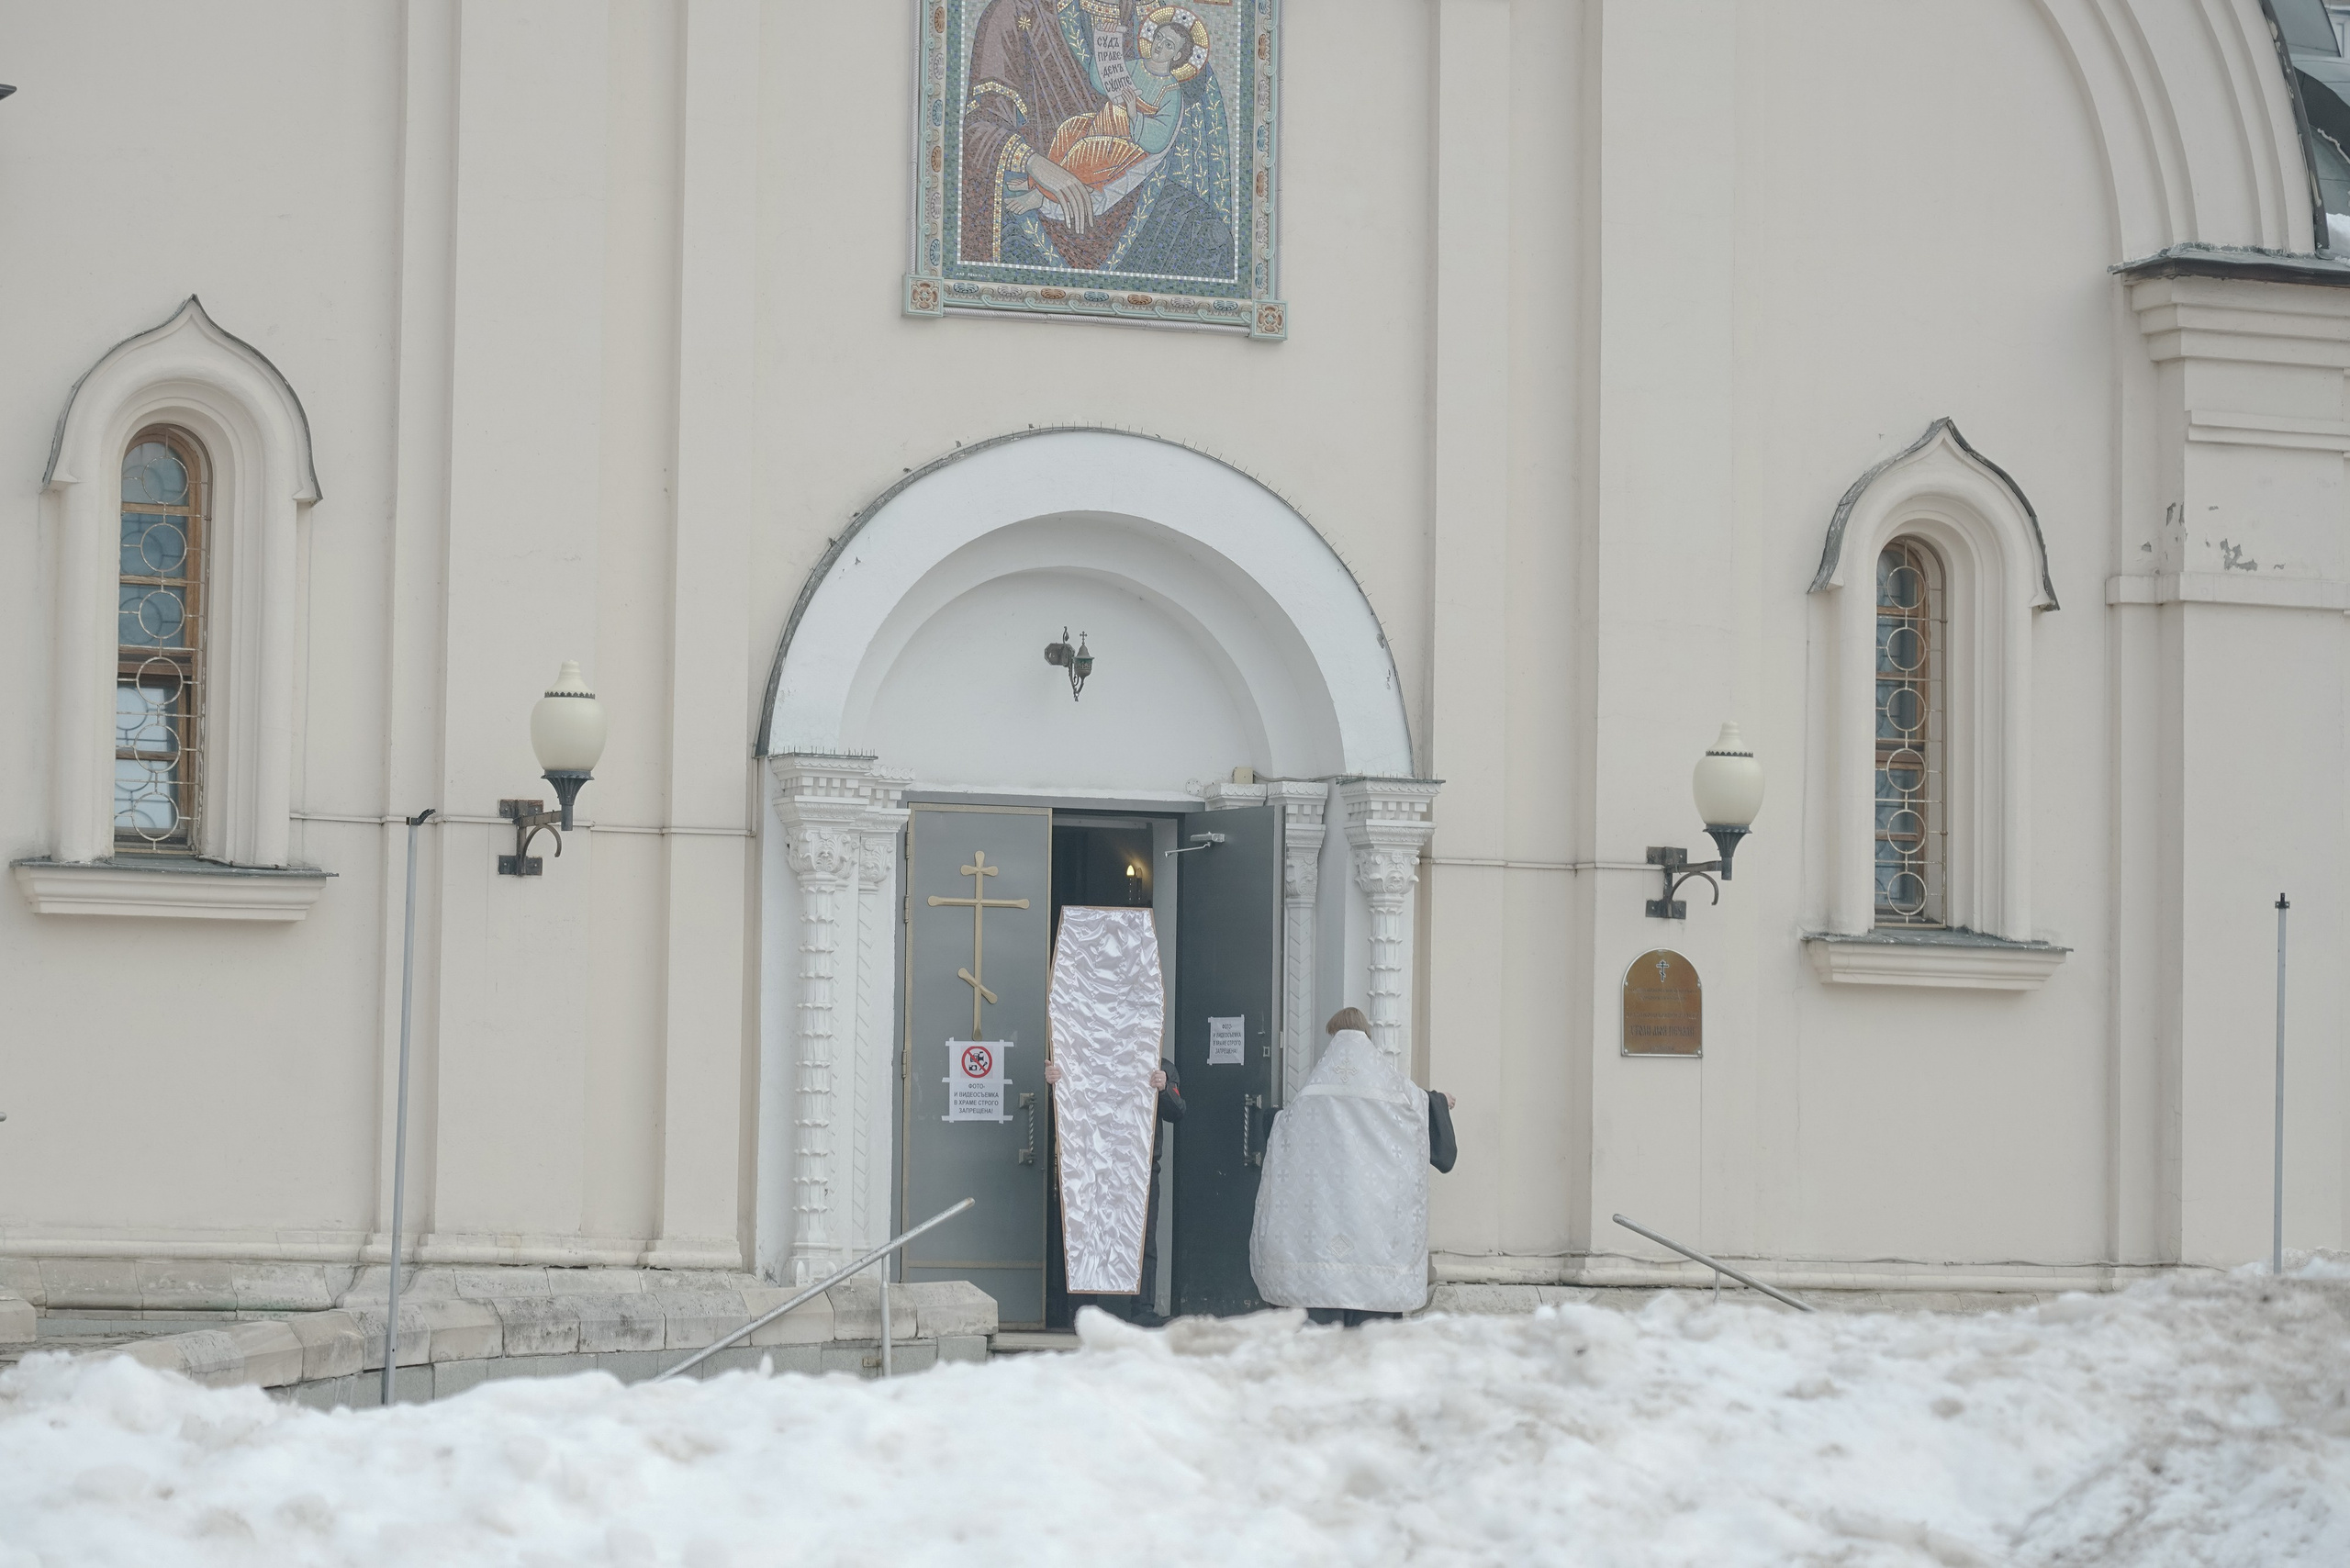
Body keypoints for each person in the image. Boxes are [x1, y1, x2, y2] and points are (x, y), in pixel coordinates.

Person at [1249, 1007, 1458, 1328]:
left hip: (1322, 1232)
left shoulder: (1317, 1088)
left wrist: (1270, 1116)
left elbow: (1285, 1125)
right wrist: (1438, 1101)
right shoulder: (1390, 1086)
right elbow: (1420, 1113)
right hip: (1372, 1231)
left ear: (1333, 1035)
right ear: (1368, 1037)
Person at [1044, 1051, 1184, 1324]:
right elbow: (1067, 1109)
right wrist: (1056, 1084)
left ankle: (1142, 1310)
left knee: (1143, 1238)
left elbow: (1178, 1111)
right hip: (1090, 1166)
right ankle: (1083, 1310)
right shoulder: (1083, 1051)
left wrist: (1164, 1088)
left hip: (1140, 1168)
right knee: (1086, 1236)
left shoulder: (1162, 1066)